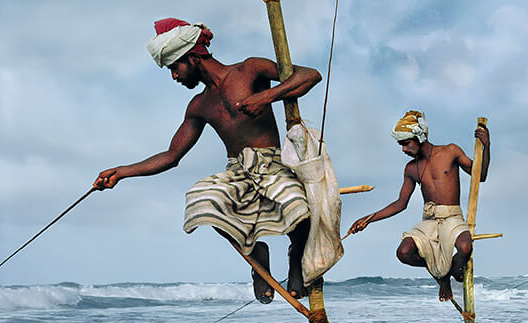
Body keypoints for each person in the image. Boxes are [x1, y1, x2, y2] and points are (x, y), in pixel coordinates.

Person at [94, 19, 323, 303]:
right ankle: (256, 254)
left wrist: (266, 97)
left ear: (192, 57)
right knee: (201, 200)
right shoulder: (198, 106)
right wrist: (121, 172)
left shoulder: (249, 69)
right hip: (237, 172)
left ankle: (295, 259)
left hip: (272, 165)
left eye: (174, 67)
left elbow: (310, 75)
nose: (175, 77)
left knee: (298, 208)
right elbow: (171, 156)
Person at [347, 110, 491, 302]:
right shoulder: (410, 169)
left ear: (420, 136)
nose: (403, 149)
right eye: (401, 145)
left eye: (406, 143)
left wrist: (486, 147)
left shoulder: (450, 151)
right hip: (430, 220)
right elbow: (400, 204)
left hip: (452, 217)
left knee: (465, 248)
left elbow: (480, 176)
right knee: (403, 252)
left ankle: (449, 273)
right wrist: (367, 219)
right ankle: (443, 276)